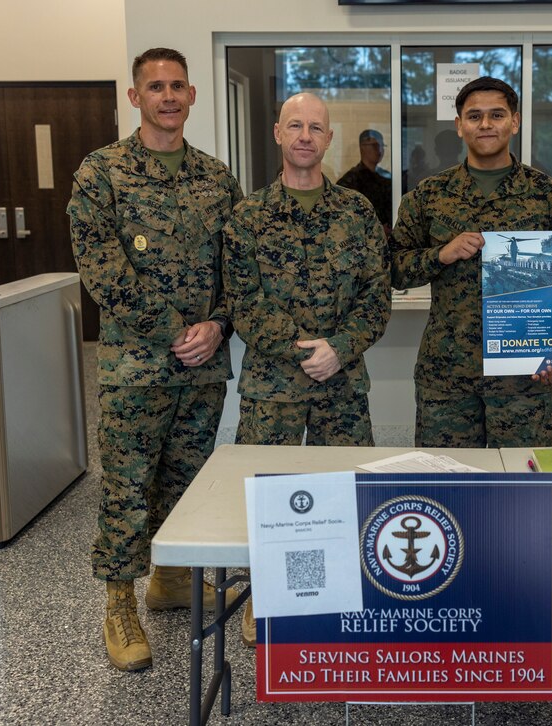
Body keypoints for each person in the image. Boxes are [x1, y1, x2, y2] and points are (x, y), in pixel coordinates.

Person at [68, 48, 244, 672]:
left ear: (193, 95)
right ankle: (119, 602)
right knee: (127, 487)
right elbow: (101, 270)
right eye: (155, 86)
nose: (167, 96)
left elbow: (238, 269)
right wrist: (177, 331)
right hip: (136, 367)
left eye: (177, 86)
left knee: (187, 481)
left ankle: (169, 580)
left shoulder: (218, 180)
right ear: (135, 96)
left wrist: (219, 326)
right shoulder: (102, 173)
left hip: (202, 367)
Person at [223, 93, 391, 643]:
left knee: (344, 496)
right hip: (273, 388)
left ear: (327, 139)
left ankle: (335, 596)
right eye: (294, 125)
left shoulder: (356, 213)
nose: (304, 135)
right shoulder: (247, 216)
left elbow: (376, 296)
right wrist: (307, 353)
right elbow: (244, 303)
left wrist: (339, 347)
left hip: (342, 385)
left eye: (315, 127)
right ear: (277, 133)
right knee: (269, 496)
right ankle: (262, 597)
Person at [391, 76, 552, 448]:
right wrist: (439, 254)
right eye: (474, 116)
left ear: (515, 121)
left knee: (526, 490)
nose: (485, 124)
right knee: (447, 487)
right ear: (459, 125)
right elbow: (394, 268)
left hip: (523, 378)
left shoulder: (547, 196)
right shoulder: (429, 196)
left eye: (497, 114)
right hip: (447, 377)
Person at [336, 129, 393, 236]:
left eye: (381, 145)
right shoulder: (350, 181)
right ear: (362, 147)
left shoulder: (387, 177)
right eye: (374, 145)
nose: (379, 149)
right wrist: (375, 230)